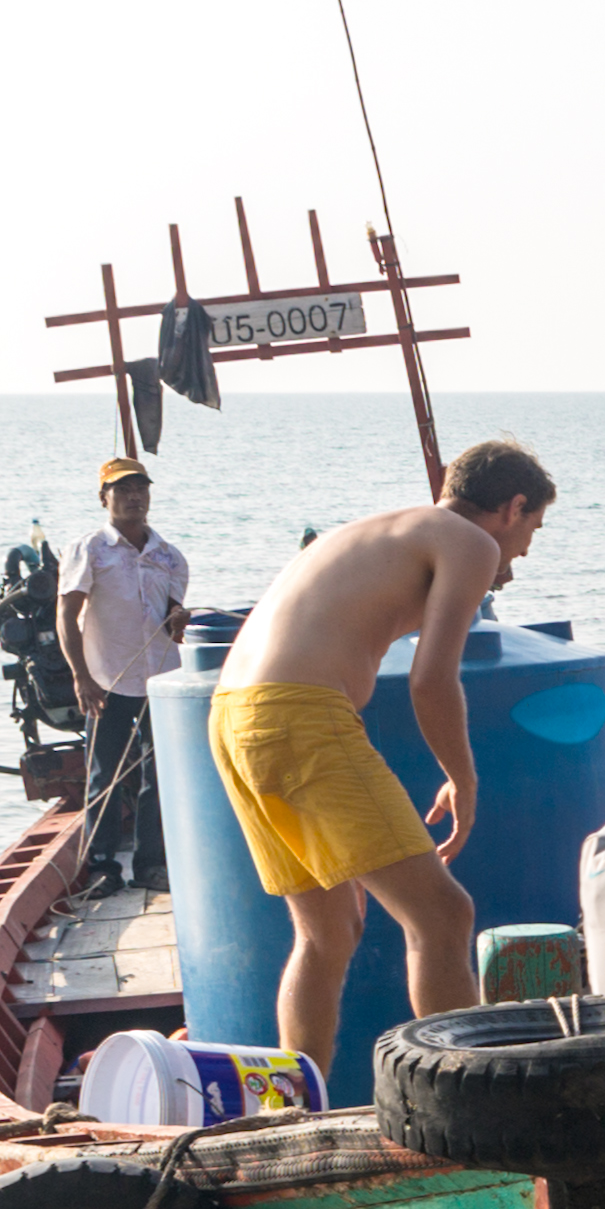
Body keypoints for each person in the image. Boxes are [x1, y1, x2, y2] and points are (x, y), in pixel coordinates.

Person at [210, 440, 550, 1078]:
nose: (525, 550)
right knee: (444, 915)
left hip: (230, 716)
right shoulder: (469, 541)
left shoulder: (376, 531)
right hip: (300, 714)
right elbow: (431, 678)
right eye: (533, 528)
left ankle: (292, 1103)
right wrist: (462, 777)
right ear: (514, 506)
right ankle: (465, 1095)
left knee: (325, 933)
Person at [60, 457, 191, 887]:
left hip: (160, 678)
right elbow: (67, 613)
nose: (134, 497)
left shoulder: (169, 556)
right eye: (122, 490)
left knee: (159, 773)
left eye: (140, 489)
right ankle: (102, 867)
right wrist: (81, 677)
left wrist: (178, 619)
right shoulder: (90, 549)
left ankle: (151, 864)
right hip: (107, 678)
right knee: (104, 773)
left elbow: (171, 619)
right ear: (104, 499)